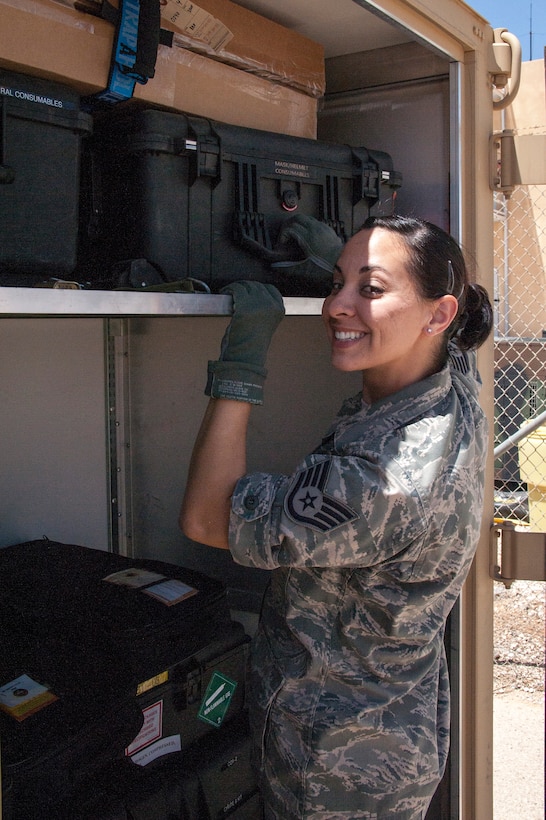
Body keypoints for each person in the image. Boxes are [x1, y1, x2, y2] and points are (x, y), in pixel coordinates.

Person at [180, 214, 493, 820]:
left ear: (438, 315)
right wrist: (354, 268)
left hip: (338, 769)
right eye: (335, 285)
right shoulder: (447, 384)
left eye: (369, 290)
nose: (335, 307)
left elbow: (206, 518)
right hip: (383, 730)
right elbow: (471, 324)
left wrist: (242, 363)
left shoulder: (384, 482)